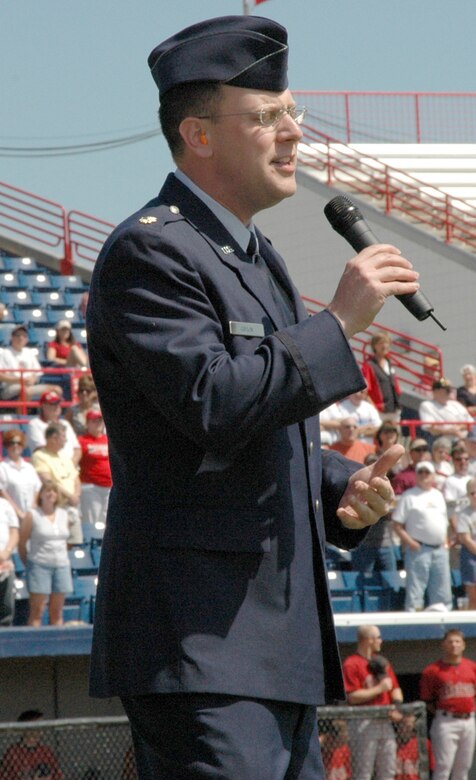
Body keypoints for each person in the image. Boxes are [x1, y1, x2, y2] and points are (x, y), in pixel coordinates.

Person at [86, 15, 420, 779]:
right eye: (267, 116)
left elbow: (263, 425)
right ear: (199, 135)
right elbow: (214, 403)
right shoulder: (153, 248)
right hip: (201, 641)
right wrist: (337, 323)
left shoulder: (255, 256)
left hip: (272, 649)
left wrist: (341, 489)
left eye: (292, 113)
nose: (294, 132)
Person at [343, 625, 403, 780]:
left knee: (388, 769)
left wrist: (397, 707)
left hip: (385, 719)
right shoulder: (352, 663)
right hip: (363, 720)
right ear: (368, 640)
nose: (380, 641)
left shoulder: (382, 662)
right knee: (363, 772)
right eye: (378, 638)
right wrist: (379, 689)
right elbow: (352, 696)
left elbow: (395, 688)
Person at [392, 461, 452, 611]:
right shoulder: (408, 496)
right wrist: (411, 543)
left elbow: (444, 521)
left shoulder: (438, 495)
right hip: (419, 550)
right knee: (415, 593)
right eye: (421, 472)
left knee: (443, 593)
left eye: (427, 472)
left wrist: (445, 543)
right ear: (416, 475)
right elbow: (397, 525)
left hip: (440, 550)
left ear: (433, 476)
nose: (424, 475)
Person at [420, 629, 476, 780]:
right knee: (443, 767)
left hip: (469, 720)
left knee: (463, 768)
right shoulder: (432, 670)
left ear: (463, 645)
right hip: (446, 720)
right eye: (450, 641)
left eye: (457, 641)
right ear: (443, 645)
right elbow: (427, 700)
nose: (454, 645)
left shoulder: (472, 667)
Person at [18, 481, 74, 626]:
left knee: (57, 612)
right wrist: (29, 563)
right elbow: (22, 543)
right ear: (41, 494)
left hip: (61, 566)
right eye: (47, 491)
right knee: (38, 611)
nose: (51, 494)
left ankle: (59, 640)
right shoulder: (33, 515)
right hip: (39, 565)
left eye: (54, 491)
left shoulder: (64, 514)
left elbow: (66, 540)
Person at [31, 423, 82, 546]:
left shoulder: (64, 456)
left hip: (73, 505)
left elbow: (76, 478)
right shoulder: (39, 456)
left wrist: (76, 495)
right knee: (58, 542)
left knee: (75, 543)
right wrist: (70, 496)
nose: (66, 440)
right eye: (63, 436)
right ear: (54, 438)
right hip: (57, 505)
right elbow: (48, 481)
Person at [0, 325, 62, 402]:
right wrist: (20, 380)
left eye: (24, 336)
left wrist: (33, 379)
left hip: (30, 386)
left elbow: (37, 373)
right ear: (12, 337)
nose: (21, 338)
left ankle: (52, 410)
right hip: (10, 387)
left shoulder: (29, 353)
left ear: (27, 339)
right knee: (26, 391)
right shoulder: (4, 353)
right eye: (18, 335)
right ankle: (21, 410)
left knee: (57, 389)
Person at [0, 709, 63, 779]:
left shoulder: (46, 751)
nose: (41, 729)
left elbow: (58, 775)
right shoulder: (13, 752)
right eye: (38, 725)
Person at [27, 391, 81, 466]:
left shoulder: (65, 423)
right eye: (52, 404)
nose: (56, 406)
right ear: (43, 406)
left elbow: (77, 449)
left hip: (70, 467)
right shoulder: (35, 424)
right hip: (49, 467)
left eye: (58, 403)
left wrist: (71, 465)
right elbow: (41, 449)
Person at [78, 409, 112, 527]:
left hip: (109, 486)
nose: (98, 424)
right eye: (94, 421)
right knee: (92, 520)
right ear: (87, 423)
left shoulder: (108, 439)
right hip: (91, 486)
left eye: (100, 421)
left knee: (108, 520)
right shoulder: (82, 441)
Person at [0, 429, 41, 522]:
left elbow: (37, 489)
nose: (15, 445)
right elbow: (2, 492)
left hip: (31, 516)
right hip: (11, 517)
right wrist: (18, 512)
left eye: (18, 443)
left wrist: (32, 510)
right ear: (6, 446)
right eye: (11, 443)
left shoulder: (30, 467)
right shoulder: (2, 468)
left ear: (23, 446)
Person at [419, 378, 474, 443]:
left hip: (467, 438)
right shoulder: (427, 405)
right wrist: (451, 431)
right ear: (436, 391)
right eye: (447, 390)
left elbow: (471, 422)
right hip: (444, 440)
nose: (450, 392)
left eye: (450, 390)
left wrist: (459, 427)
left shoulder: (456, 404)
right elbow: (431, 429)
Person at [362, 332, 401, 421]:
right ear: (374, 346)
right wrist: (373, 409)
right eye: (381, 343)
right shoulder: (369, 366)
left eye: (387, 343)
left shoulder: (389, 363)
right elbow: (365, 391)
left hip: (394, 410)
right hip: (379, 412)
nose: (384, 346)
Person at [456, 477, 476, 609]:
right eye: (472, 493)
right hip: (471, 557)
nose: (475, 496)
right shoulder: (464, 514)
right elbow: (465, 539)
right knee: (474, 597)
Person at [0, 495, 19, 626]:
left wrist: (6, 553)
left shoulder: (5, 505)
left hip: (5, 563)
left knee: (6, 611)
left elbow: (14, 532)